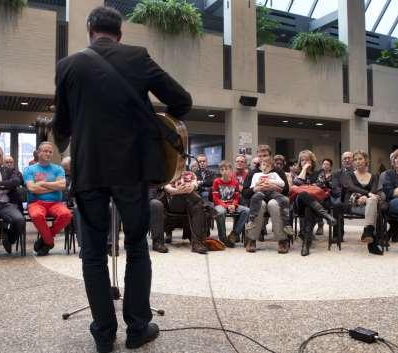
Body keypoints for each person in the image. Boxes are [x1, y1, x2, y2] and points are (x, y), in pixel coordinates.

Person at [51, 6, 192, 352]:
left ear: (89, 31)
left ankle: (103, 334)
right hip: (132, 169)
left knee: (93, 254)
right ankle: (137, 329)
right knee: (136, 246)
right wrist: (157, 122)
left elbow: (62, 128)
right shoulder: (137, 57)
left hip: (90, 170)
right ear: (120, 33)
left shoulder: (67, 66)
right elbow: (182, 101)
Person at [23, 142, 72, 256]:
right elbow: (32, 188)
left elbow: (62, 186)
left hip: (56, 203)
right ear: (38, 152)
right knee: (36, 216)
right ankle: (49, 242)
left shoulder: (58, 169)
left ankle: (45, 239)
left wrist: (43, 183)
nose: (48, 154)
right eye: (45, 151)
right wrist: (53, 186)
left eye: (50, 152)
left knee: (67, 215)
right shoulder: (29, 170)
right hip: (36, 203)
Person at [292, 150, 336, 256]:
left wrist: (305, 187)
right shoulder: (296, 173)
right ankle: (325, 215)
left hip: (314, 203)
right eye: (302, 160)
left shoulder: (319, 173)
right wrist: (304, 170)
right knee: (303, 194)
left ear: (312, 161)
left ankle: (306, 244)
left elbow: (319, 185)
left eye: (307, 160)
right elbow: (297, 182)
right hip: (299, 204)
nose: (304, 162)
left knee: (309, 208)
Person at [245, 158, 292, 253]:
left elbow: (285, 188)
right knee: (259, 204)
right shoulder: (255, 174)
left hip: (273, 196)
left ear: (271, 166)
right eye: (263, 164)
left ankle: (282, 239)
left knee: (274, 204)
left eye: (268, 164)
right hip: (260, 195)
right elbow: (246, 191)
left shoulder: (276, 173)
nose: (265, 166)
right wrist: (256, 188)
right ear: (259, 165)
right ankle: (251, 239)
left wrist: (274, 185)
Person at [342, 150, 382, 255]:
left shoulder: (373, 176)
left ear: (366, 160)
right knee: (374, 208)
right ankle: (372, 243)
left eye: (360, 159)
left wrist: (368, 197)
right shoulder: (349, 175)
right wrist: (366, 195)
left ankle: (368, 231)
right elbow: (351, 187)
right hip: (354, 203)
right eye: (355, 159)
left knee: (373, 201)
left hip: (369, 205)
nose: (357, 161)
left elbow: (374, 190)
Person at [212, 160, 249, 248]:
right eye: (222, 169)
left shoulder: (235, 182)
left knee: (246, 210)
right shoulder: (216, 181)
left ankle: (234, 234)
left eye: (227, 169)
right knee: (220, 212)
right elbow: (215, 198)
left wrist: (234, 205)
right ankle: (223, 238)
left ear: (231, 171)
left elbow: (236, 197)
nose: (225, 171)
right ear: (220, 171)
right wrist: (226, 206)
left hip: (231, 204)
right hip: (220, 205)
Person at [315, 158, 333, 235]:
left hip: (330, 195)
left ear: (330, 166)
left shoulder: (333, 175)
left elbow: (333, 186)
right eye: (324, 164)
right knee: (318, 203)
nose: (325, 166)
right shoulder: (318, 174)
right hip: (319, 195)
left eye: (327, 164)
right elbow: (317, 185)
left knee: (326, 203)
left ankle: (328, 219)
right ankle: (320, 224)